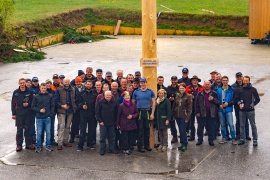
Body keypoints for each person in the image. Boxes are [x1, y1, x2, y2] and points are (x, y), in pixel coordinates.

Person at [11, 78, 35, 151]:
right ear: (19, 83)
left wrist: (28, 104)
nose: (22, 84)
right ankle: (19, 145)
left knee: (28, 129)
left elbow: (33, 102)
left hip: (28, 114)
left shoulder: (29, 92)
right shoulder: (15, 92)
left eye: (23, 83)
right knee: (19, 130)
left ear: (25, 83)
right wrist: (13, 113)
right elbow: (13, 103)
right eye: (21, 83)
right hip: (19, 114)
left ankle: (28, 144)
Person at [132, 77, 155, 153]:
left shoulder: (150, 91)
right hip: (139, 112)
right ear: (140, 83)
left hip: (147, 111)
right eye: (141, 82)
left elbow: (153, 103)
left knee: (147, 129)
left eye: (144, 82)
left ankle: (147, 145)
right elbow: (133, 103)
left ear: (146, 82)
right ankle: (140, 146)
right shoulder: (136, 92)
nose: (142, 84)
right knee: (140, 130)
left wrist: (152, 113)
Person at [236, 76, 260, 146]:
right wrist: (239, 104)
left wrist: (252, 105)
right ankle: (242, 139)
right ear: (243, 81)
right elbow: (237, 98)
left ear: (249, 81)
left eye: (247, 81)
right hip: (242, 111)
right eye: (244, 81)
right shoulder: (240, 89)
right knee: (242, 125)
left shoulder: (253, 89)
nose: (245, 82)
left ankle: (255, 140)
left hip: (250, 111)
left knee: (253, 125)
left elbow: (258, 99)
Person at [195, 80, 220, 146]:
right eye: (206, 84)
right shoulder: (200, 93)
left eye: (208, 84)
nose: (207, 85)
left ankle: (210, 140)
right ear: (203, 85)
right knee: (200, 128)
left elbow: (218, 102)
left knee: (211, 127)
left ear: (210, 85)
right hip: (202, 113)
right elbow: (196, 104)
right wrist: (197, 112)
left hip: (211, 113)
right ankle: (200, 140)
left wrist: (213, 99)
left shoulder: (214, 93)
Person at [31, 83, 55, 152]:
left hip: (47, 117)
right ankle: (39, 146)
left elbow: (52, 105)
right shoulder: (36, 96)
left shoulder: (50, 96)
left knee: (48, 132)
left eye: (44, 88)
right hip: (39, 118)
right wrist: (39, 110)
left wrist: (50, 114)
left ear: (46, 88)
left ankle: (48, 145)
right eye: (42, 88)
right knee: (39, 132)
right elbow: (33, 106)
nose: (43, 89)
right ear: (40, 88)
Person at [54, 78, 76, 150]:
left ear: (69, 82)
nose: (66, 83)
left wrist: (73, 107)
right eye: (65, 82)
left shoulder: (73, 89)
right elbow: (56, 100)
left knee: (67, 127)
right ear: (63, 82)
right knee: (61, 127)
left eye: (68, 82)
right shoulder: (59, 90)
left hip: (70, 111)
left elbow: (74, 99)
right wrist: (62, 106)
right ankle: (59, 143)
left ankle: (65, 141)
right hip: (61, 111)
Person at [96, 91, 118, 155]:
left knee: (112, 137)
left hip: (112, 123)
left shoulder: (114, 102)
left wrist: (116, 121)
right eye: (107, 96)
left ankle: (112, 149)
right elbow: (97, 112)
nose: (108, 97)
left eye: (109, 96)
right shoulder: (100, 102)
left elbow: (117, 112)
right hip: (103, 123)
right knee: (102, 137)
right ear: (104, 96)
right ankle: (102, 149)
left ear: (111, 96)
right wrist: (100, 121)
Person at [77, 80, 97, 151]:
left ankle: (90, 144)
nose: (89, 85)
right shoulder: (81, 93)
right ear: (85, 85)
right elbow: (77, 103)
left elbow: (96, 104)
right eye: (87, 84)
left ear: (92, 85)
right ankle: (80, 145)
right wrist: (82, 106)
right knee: (82, 131)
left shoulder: (95, 93)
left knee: (91, 130)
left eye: (90, 84)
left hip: (92, 114)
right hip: (83, 114)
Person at [217, 76, 237, 145]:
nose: (225, 81)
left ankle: (233, 138)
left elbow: (234, 100)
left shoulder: (232, 89)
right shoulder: (218, 89)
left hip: (228, 109)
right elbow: (216, 99)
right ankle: (224, 137)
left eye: (226, 80)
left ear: (228, 81)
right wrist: (219, 105)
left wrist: (228, 103)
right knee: (222, 125)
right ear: (222, 81)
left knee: (231, 124)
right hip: (220, 109)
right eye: (223, 80)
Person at [173, 83, 192, 151]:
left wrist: (188, 117)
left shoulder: (188, 96)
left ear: (185, 88)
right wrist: (173, 114)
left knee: (183, 130)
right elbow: (174, 105)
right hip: (177, 115)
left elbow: (190, 108)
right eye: (180, 88)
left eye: (183, 88)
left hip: (184, 116)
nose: (181, 89)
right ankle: (182, 143)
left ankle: (185, 144)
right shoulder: (177, 95)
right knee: (180, 130)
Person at [231, 72, 250, 140]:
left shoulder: (246, 85)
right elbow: (233, 97)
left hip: (246, 106)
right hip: (237, 106)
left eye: (240, 76)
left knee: (246, 121)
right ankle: (238, 134)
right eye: (237, 77)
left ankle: (246, 134)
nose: (239, 78)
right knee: (238, 120)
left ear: (242, 77)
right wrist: (238, 103)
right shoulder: (233, 86)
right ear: (236, 77)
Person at [185, 75, 204, 141]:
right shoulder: (188, 88)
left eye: (196, 80)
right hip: (191, 107)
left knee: (200, 123)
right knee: (191, 123)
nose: (195, 81)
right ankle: (192, 136)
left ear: (198, 81)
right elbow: (185, 97)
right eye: (193, 80)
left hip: (199, 108)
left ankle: (200, 138)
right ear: (191, 81)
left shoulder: (202, 88)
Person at [69, 77, 85, 143]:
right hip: (76, 109)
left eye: (80, 82)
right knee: (74, 124)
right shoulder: (73, 89)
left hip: (83, 109)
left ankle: (82, 137)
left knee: (82, 125)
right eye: (77, 82)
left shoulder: (84, 88)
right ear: (75, 83)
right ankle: (72, 137)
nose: (78, 83)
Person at [166, 76, 179, 143]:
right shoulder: (167, 88)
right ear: (171, 80)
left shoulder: (179, 88)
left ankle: (183, 137)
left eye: (175, 80)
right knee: (172, 124)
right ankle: (174, 136)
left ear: (177, 80)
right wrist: (169, 99)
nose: (173, 81)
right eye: (172, 80)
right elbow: (165, 98)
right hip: (171, 108)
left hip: (179, 108)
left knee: (180, 124)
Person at [45, 79, 58, 146]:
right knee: (44, 127)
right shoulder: (43, 92)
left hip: (52, 112)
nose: (48, 85)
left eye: (50, 83)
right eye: (47, 83)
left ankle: (52, 140)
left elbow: (55, 102)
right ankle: (46, 140)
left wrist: (54, 111)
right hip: (44, 113)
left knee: (51, 127)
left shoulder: (54, 92)